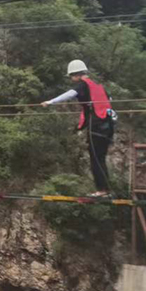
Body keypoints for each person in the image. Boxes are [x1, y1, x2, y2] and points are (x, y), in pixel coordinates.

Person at [40, 59, 117, 197]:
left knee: (95, 158)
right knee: (100, 157)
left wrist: (50, 102)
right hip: (108, 126)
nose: (71, 79)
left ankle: (102, 190)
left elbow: (70, 94)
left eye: (71, 76)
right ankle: (106, 189)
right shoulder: (99, 86)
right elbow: (109, 100)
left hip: (96, 126)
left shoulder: (83, 85)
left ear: (76, 74)